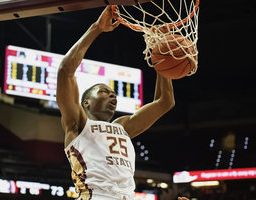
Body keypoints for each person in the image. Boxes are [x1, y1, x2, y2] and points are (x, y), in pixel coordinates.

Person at [56, 5, 175, 200]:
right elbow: (65, 70)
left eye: (114, 94)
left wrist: (162, 59)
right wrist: (97, 27)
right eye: (104, 92)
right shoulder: (77, 123)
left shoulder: (122, 126)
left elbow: (165, 102)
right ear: (86, 102)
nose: (113, 96)